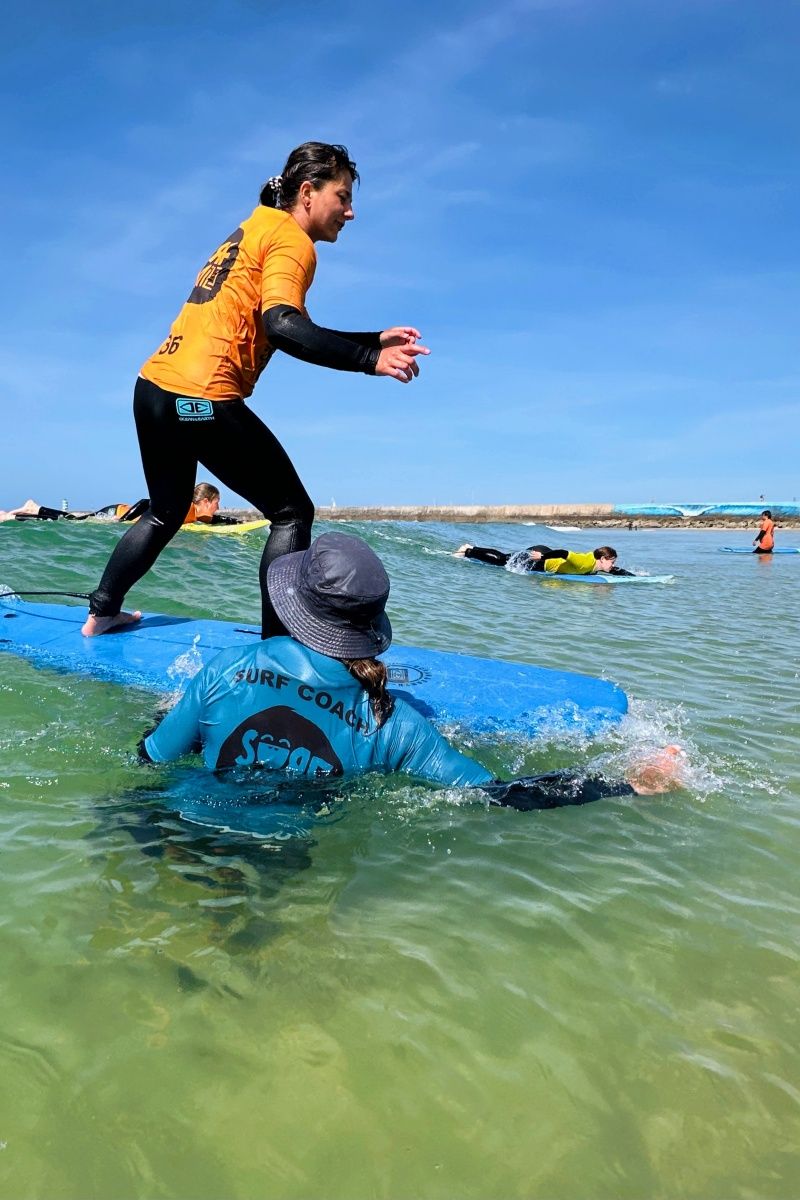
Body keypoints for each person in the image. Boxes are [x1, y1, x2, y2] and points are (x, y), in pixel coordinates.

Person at [82, 141, 429, 639]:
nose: (350, 212)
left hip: (155, 390)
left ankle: (102, 613)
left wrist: (373, 338)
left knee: (165, 510)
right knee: (291, 513)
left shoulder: (257, 225)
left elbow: (285, 324)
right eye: (343, 196)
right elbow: (284, 326)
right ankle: (279, 647)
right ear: (307, 193)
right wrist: (371, 360)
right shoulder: (294, 242)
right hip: (199, 402)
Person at [139, 533, 685, 812]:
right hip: (288, 868)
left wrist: (171, 716)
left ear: (291, 605)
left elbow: (151, 758)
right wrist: (625, 785)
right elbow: (501, 794)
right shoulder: (395, 725)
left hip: (180, 832)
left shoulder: (223, 671)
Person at [455, 543, 634, 576]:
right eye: (612, 561)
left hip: (545, 557)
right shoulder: (584, 562)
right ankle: (468, 551)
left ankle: (471, 549)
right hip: (540, 559)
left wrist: (635, 577)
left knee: (505, 558)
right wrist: (542, 556)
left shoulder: (597, 566)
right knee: (502, 561)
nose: (613, 565)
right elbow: (564, 552)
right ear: (602, 559)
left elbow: (617, 572)